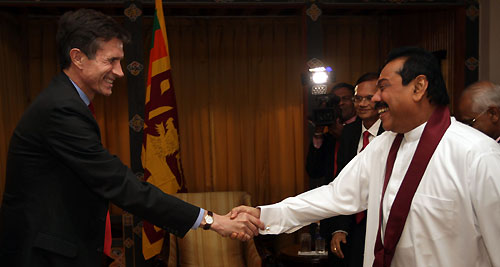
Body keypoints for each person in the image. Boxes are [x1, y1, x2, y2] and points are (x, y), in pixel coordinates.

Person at [0, 9, 263, 267]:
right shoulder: (61, 109)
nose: (120, 72)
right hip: (45, 255)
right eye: (111, 61)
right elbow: (119, 184)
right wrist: (212, 220)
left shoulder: (66, 102)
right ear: (78, 58)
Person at [232, 47, 500, 267]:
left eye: (383, 87)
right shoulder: (384, 146)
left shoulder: (477, 155)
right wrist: (262, 214)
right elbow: (334, 195)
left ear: (419, 87)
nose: (375, 98)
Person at [322, 72, 384, 267]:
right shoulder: (349, 133)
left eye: (369, 98)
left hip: (381, 222)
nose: (362, 104)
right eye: (358, 98)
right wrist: (339, 228)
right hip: (353, 223)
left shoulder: (392, 132)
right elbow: (343, 184)